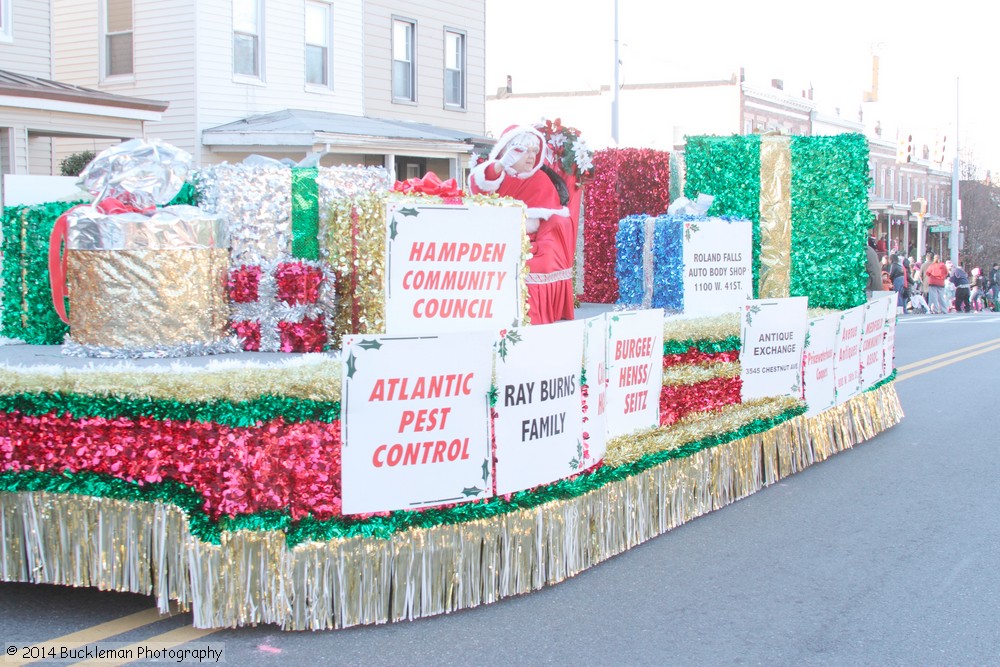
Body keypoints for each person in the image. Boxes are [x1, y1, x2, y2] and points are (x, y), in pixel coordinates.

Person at [469, 125, 574, 324]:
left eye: (535, 151)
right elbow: (480, 187)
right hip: (493, 243)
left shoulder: (541, 180)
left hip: (530, 242)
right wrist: (500, 165)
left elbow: (543, 226)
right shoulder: (497, 176)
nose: (531, 156)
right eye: (524, 150)